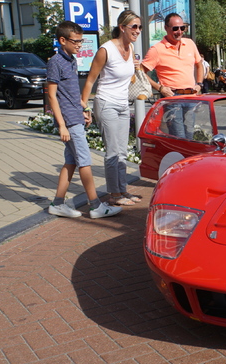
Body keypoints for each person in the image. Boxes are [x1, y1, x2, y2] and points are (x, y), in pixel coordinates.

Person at [46, 21, 121, 219]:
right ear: (63, 40)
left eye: (81, 41)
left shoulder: (71, 59)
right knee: (84, 161)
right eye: (76, 41)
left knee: (70, 162)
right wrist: (62, 125)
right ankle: (96, 206)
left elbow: (70, 93)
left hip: (74, 116)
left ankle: (58, 204)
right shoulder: (55, 62)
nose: (80, 45)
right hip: (68, 121)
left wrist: (84, 108)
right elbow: (52, 96)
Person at [81, 10, 143, 207]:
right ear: (122, 27)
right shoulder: (105, 50)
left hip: (123, 105)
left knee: (123, 152)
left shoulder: (131, 48)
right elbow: (90, 81)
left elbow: (129, 77)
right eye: (134, 26)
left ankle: (122, 190)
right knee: (112, 151)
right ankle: (114, 194)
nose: (138, 30)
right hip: (106, 103)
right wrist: (84, 107)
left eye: (140, 27)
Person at [141, 13, 204, 138]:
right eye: (175, 28)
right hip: (173, 98)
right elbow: (140, 72)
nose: (179, 31)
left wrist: (200, 83)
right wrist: (159, 88)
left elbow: (199, 64)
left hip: (191, 96)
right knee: (179, 137)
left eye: (182, 28)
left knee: (190, 137)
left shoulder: (190, 43)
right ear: (166, 28)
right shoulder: (157, 49)